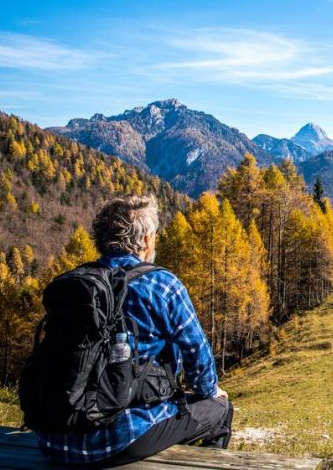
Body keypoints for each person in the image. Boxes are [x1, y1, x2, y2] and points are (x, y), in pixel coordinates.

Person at [34, 195, 233, 465]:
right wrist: (209, 391)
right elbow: (197, 356)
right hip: (120, 438)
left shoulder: (75, 283)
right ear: (147, 239)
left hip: (53, 436)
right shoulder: (162, 284)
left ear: (101, 239)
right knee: (219, 408)